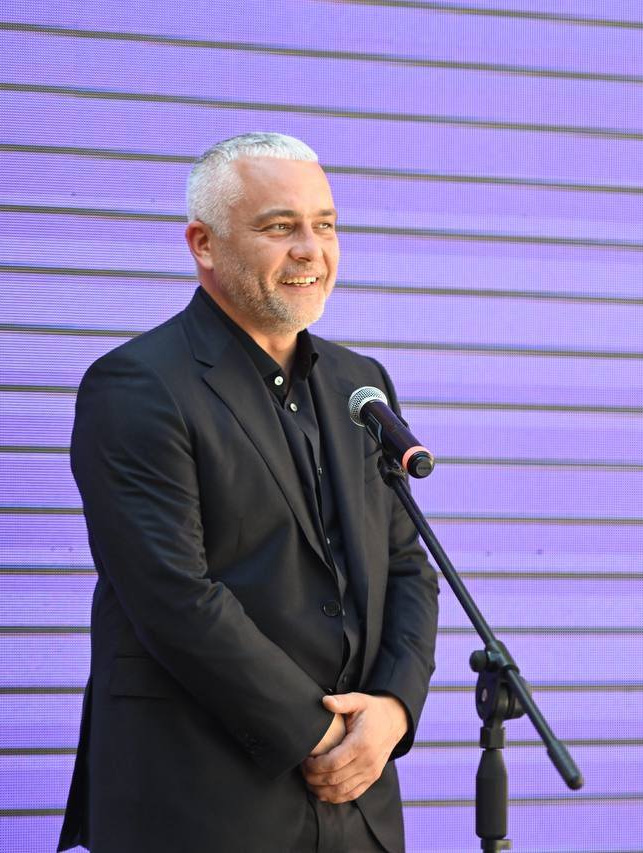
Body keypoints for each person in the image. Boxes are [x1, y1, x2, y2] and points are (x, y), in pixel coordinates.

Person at [57, 132, 440, 852]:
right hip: (199, 802)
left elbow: (408, 565)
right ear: (203, 243)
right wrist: (324, 732)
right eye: (279, 226)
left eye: (325, 225)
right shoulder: (138, 385)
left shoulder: (360, 383)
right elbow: (174, 595)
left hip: (358, 803)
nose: (310, 250)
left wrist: (392, 710)